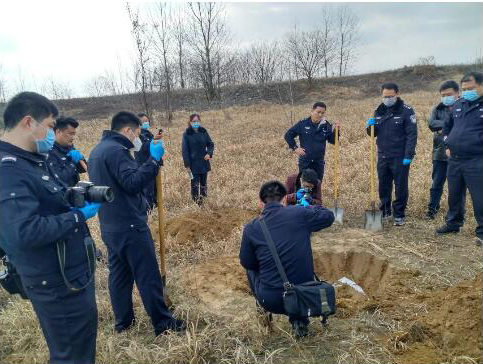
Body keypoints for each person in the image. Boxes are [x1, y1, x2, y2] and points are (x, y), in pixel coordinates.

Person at [0, 92, 100, 364]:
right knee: (71, 355)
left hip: (69, 275)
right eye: (51, 125)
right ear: (29, 123)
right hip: (55, 283)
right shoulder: (8, 170)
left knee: (80, 348)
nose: (52, 132)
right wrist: (77, 217)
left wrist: (73, 199)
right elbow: (23, 233)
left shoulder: (30, 162)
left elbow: (47, 202)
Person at [88, 111, 185, 336]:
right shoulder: (116, 151)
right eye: (137, 133)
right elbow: (132, 183)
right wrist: (153, 160)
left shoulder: (97, 151)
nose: (137, 138)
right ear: (127, 130)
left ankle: (124, 323)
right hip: (130, 226)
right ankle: (163, 324)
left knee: (119, 276)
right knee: (147, 274)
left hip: (110, 226)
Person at [239, 181, 334, 337]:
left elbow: (247, 262)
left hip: (271, 300)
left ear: (261, 203)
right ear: (284, 200)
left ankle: (264, 315)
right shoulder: (299, 213)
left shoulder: (252, 228)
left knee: (250, 268)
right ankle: (300, 320)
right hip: (305, 294)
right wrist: (309, 206)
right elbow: (329, 216)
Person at [437, 71, 483, 246]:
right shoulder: (458, 105)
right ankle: (453, 223)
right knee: (455, 194)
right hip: (455, 159)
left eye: (470, 88)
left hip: (477, 159)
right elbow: (446, 127)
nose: (466, 92)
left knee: (479, 196)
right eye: (464, 89)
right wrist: (448, 145)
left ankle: (482, 231)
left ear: (480, 86)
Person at [366, 83, 417, 226]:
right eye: (385, 96)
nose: (387, 99)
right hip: (383, 155)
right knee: (383, 185)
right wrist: (369, 127)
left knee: (400, 186)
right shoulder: (379, 110)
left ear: (397, 94)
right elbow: (373, 134)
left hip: (400, 156)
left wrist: (409, 154)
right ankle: (385, 211)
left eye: (390, 96)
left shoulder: (406, 111)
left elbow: (412, 135)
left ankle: (399, 214)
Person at [426, 81, 465, 220]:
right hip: (439, 152)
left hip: (458, 154)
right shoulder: (438, 108)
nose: (446, 97)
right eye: (443, 95)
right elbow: (431, 124)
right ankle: (431, 211)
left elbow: (465, 125)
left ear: (457, 93)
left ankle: (458, 215)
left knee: (457, 187)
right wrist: (451, 125)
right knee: (436, 184)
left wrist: (444, 128)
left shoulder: (465, 107)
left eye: (449, 94)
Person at [284, 102, 340, 181]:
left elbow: (334, 141)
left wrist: (336, 131)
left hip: (318, 163)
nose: (320, 115)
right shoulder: (303, 123)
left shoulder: (326, 125)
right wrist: (295, 148)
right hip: (305, 162)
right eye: (318, 112)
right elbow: (288, 135)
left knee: (317, 185)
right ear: (312, 111)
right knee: (304, 186)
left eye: (322, 113)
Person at [181, 113, 215, 205]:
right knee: (195, 185)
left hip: (204, 162)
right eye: (194, 121)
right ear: (190, 122)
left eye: (197, 121)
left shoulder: (203, 131)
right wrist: (187, 165)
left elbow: (210, 144)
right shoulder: (186, 134)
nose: (196, 123)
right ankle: (196, 204)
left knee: (204, 184)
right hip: (193, 165)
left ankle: (204, 202)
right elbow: (185, 151)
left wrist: (209, 153)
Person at [47, 116, 87, 187]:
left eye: (74, 134)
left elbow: (82, 169)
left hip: (74, 192)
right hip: (62, 194)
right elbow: (60, 178)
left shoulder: (69, 147)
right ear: (58, 131)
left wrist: (81, 158)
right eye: (70, 133)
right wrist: (72, 162)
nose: (73, 137)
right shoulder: (49, 152)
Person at [133, 113, 158, 210]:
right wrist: (153, 142)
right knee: (148, 191)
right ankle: (148, 210)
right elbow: (142, 148)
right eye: (143, 122)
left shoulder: (148, 133)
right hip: (144, 167)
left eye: (147, 121)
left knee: (154, 190)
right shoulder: (137, 135)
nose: (146, 123)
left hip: (153, 166)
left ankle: (154, 206)